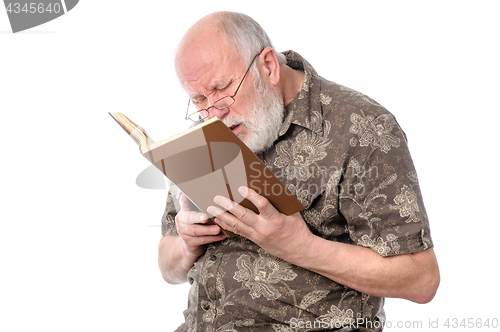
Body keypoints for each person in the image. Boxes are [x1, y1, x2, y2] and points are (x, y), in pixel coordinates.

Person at [158, 11, 440, 332]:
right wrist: (185, 244)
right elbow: (168, 267)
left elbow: (421, 280)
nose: (213, 113)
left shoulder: (362, 128)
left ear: (268, 66)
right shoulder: (208, 127)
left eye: (223, 88)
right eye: (198, 98)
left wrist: (301, 247)